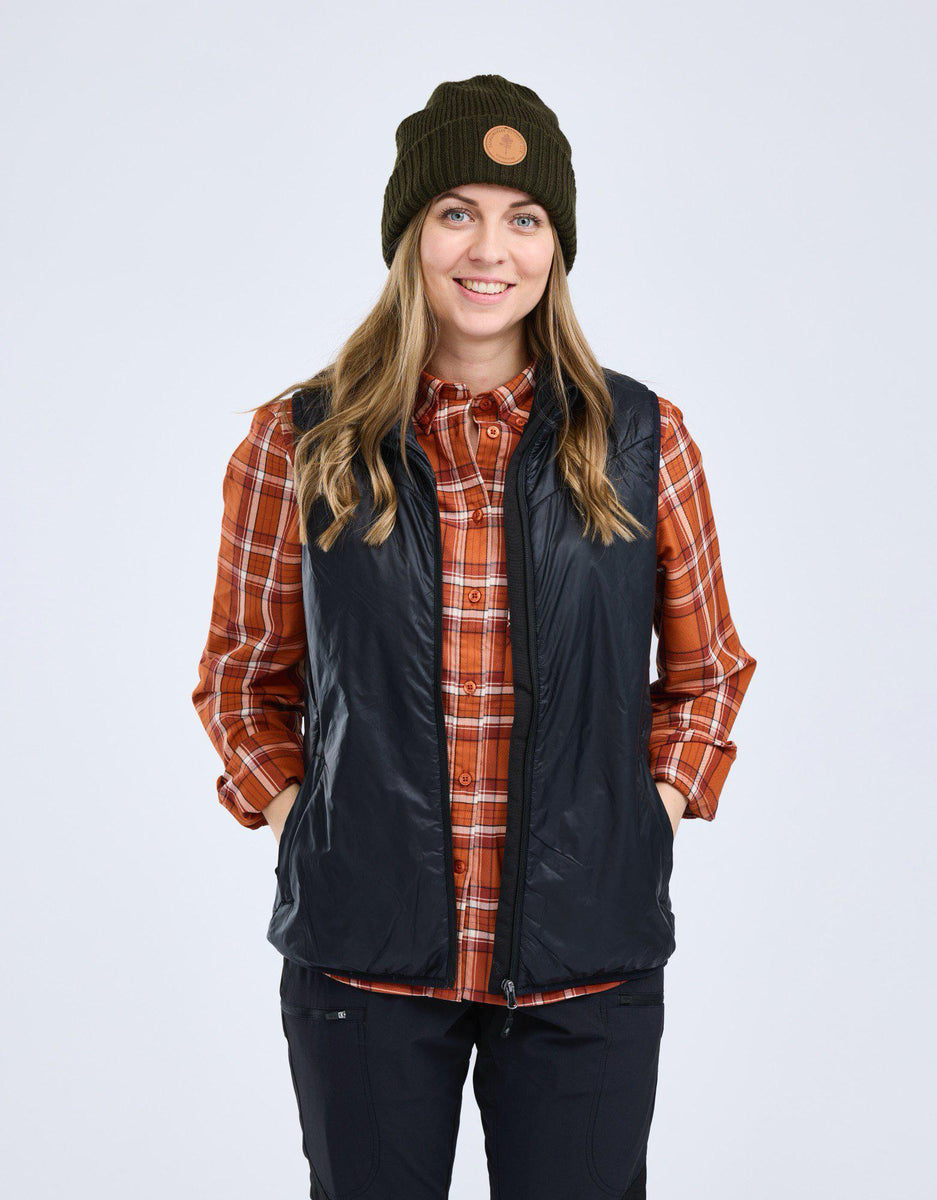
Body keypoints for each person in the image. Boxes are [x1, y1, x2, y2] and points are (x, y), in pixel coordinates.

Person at [192, 74, 757, 1200]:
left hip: (586, 963)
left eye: (524, 217)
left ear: (556, 247)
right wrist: (307, 823)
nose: (490, 250)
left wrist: (647, 814)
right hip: (363, 964)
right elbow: (240, 681)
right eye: (457, 211)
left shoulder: (644, 440)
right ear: (410, 234)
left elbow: (708, 675)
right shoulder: (297, 442)